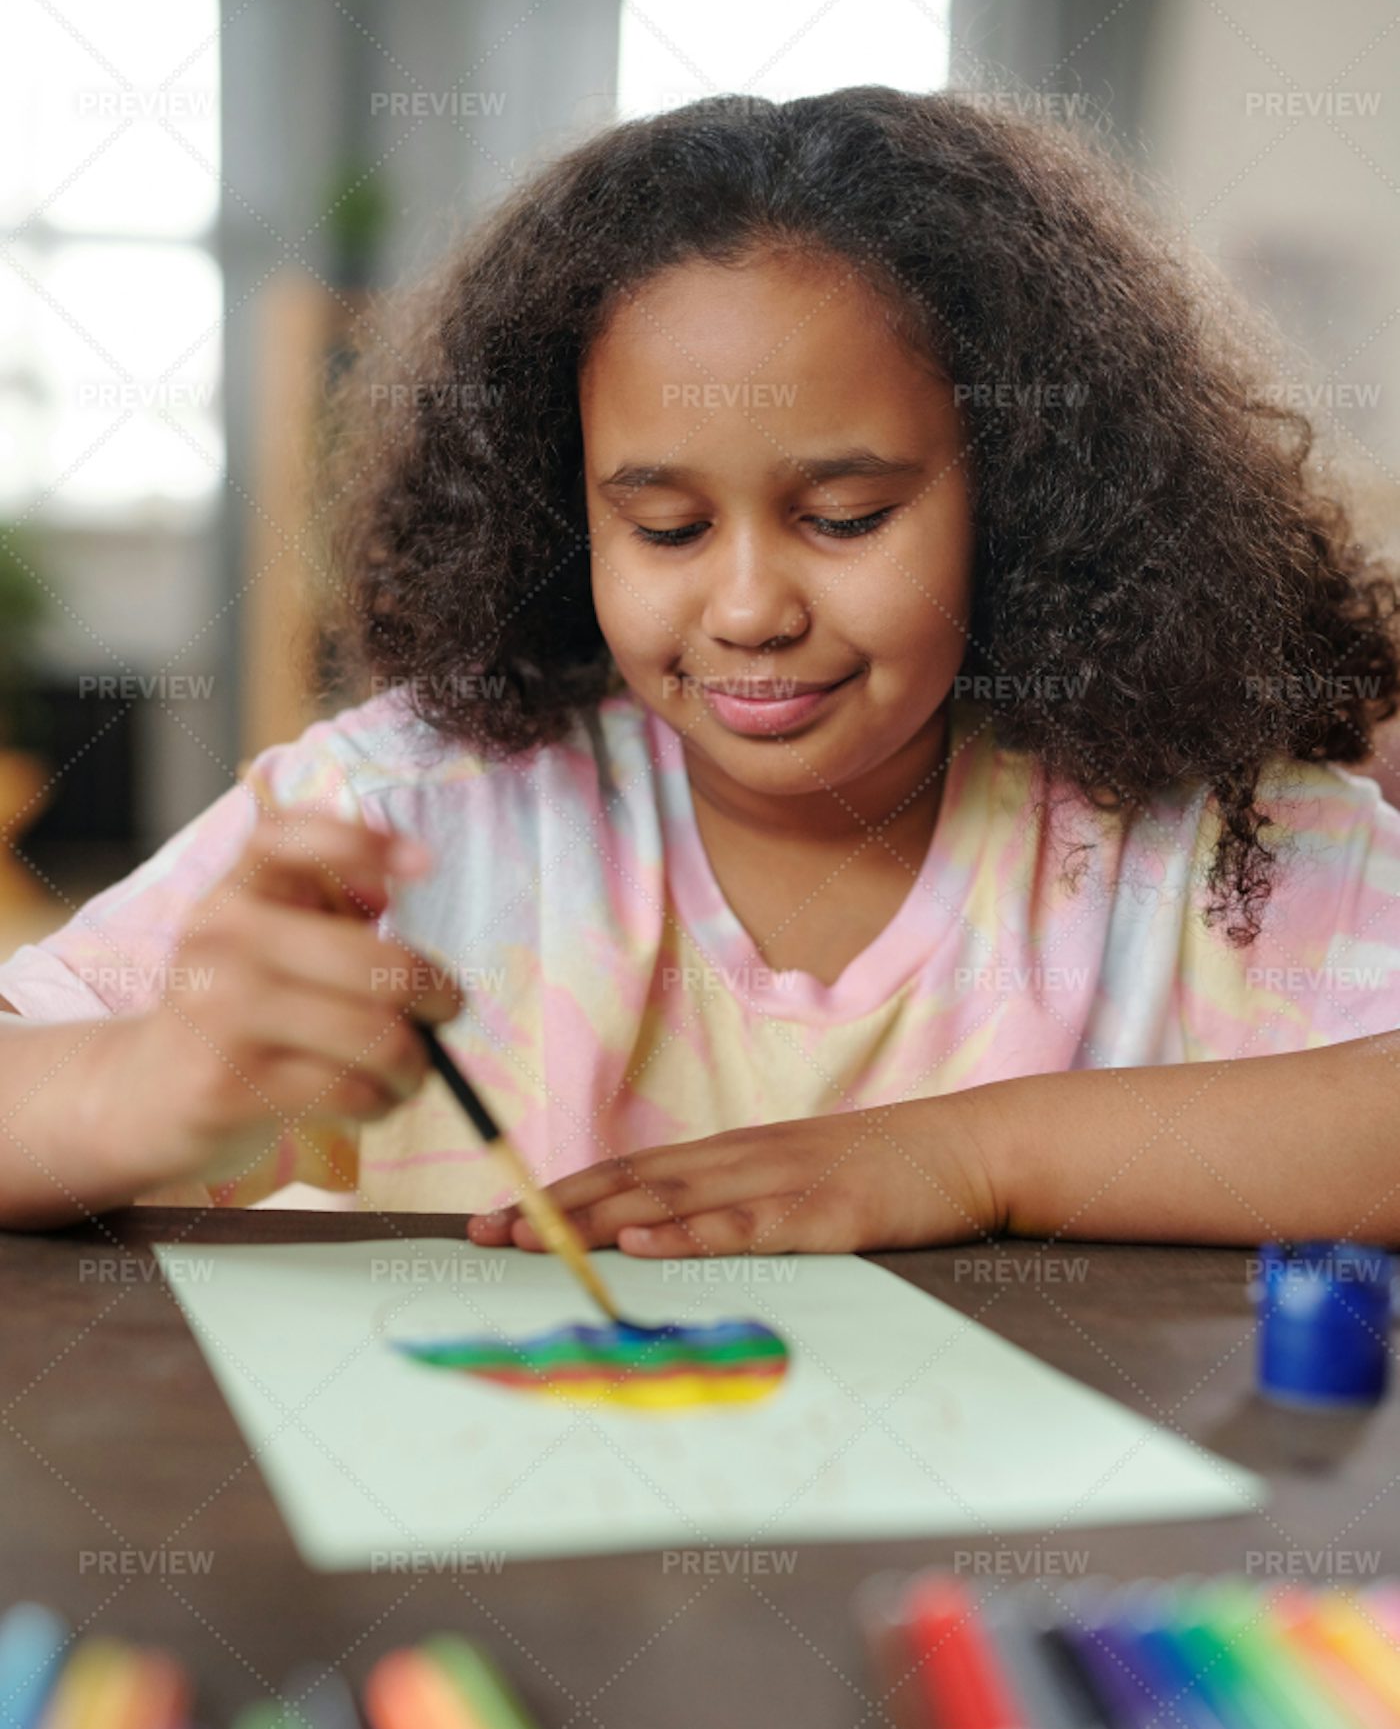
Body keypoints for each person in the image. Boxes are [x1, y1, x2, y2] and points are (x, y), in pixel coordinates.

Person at [2, 88, 1398, 1254]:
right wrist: (144, 1079)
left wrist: (972, 1157)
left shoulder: (1198, 831)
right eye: (663, 526)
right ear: (564, 512)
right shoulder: (413, 809)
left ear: (1025, 495)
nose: (746, 608)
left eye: (846, 519)